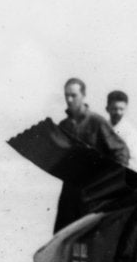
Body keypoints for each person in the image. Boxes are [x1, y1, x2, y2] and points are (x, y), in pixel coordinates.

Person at [54, 77, 129, 232]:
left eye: (73, 95)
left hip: (92, 195)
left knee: (89, 238)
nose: (69, 99)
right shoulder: (63, 126)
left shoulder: (96, 122)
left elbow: (121, 152)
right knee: (62, 238)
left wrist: (110, 183)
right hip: (70, 194)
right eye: (66, 95)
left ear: (83, 96)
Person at [105, 89, 137, 167]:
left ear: (126, 109)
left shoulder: (130, 133)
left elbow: (135, 160)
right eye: (114, 109)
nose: (118, 112)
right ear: (107, 109)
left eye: (121, 109)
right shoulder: (102, 127)